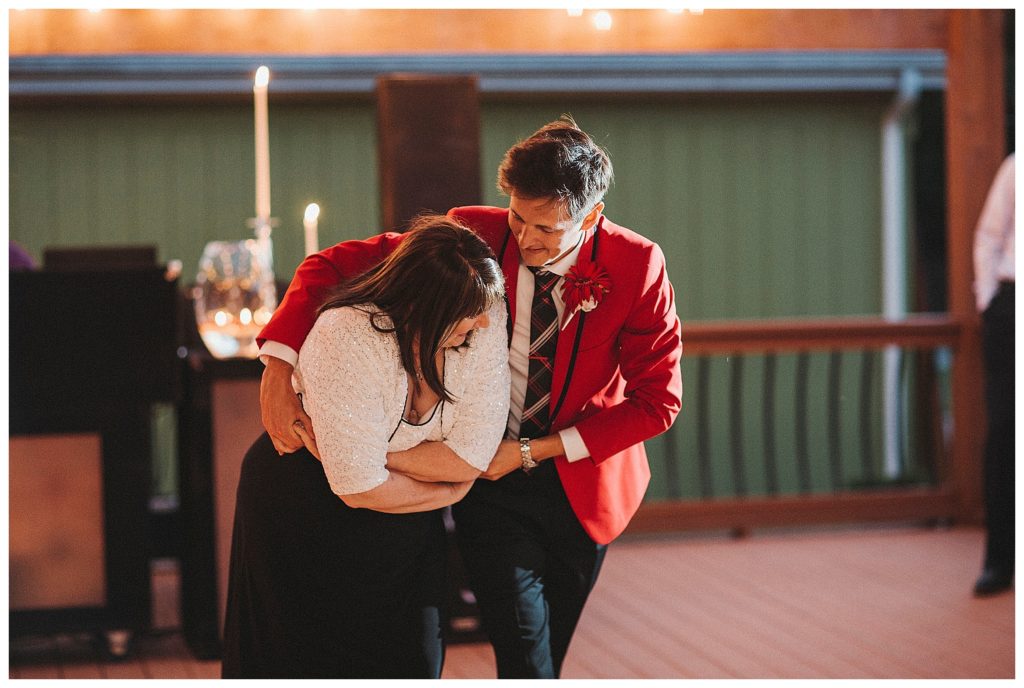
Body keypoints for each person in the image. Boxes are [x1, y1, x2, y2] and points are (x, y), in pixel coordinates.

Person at [258, 116, 683, 678]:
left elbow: (658, 402)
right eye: (518, 217)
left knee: (548, 651)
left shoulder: (638, 264)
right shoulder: (472, 233)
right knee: (522, 647)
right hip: (486, 476)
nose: (527, 240)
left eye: (548, 230)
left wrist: (537, 452)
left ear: (593, 216)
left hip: (583, 483)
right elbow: (329, 265)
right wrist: (275, 367)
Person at [221, 216, 511, 678]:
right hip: (304, 503)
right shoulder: (350, 333)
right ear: (425, 304)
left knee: (413, 659)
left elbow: (470, 456)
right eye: (467, 313)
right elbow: (358, 487)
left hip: (403, 517)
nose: (483, 320)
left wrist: (372, 453)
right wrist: (446, 489)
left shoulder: (484, 309)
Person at [971, 152, 1015, 597]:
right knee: (1005, 431)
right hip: (1012, 306)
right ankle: (1000, 561)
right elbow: (988, 235)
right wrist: (989, 300)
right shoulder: (1016, 167)